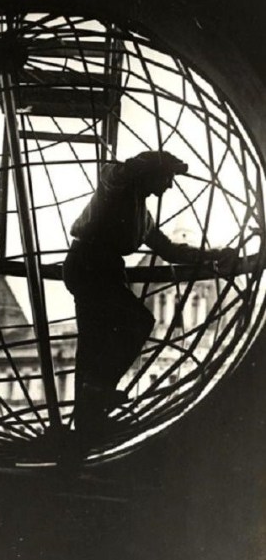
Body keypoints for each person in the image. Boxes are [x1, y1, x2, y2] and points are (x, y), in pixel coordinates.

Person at [63, 150, 236, 443]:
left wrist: (214, 255)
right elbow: (117, 171)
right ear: (152, 173)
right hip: (89, 265)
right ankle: (95, 406)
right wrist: (154, 162)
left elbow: (171, 251)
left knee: (100, 342)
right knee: (127, 327)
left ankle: (91, 416)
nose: (169, 186)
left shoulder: (144, 217)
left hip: (106, 271)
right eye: (167, 177)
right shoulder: (115, 186)